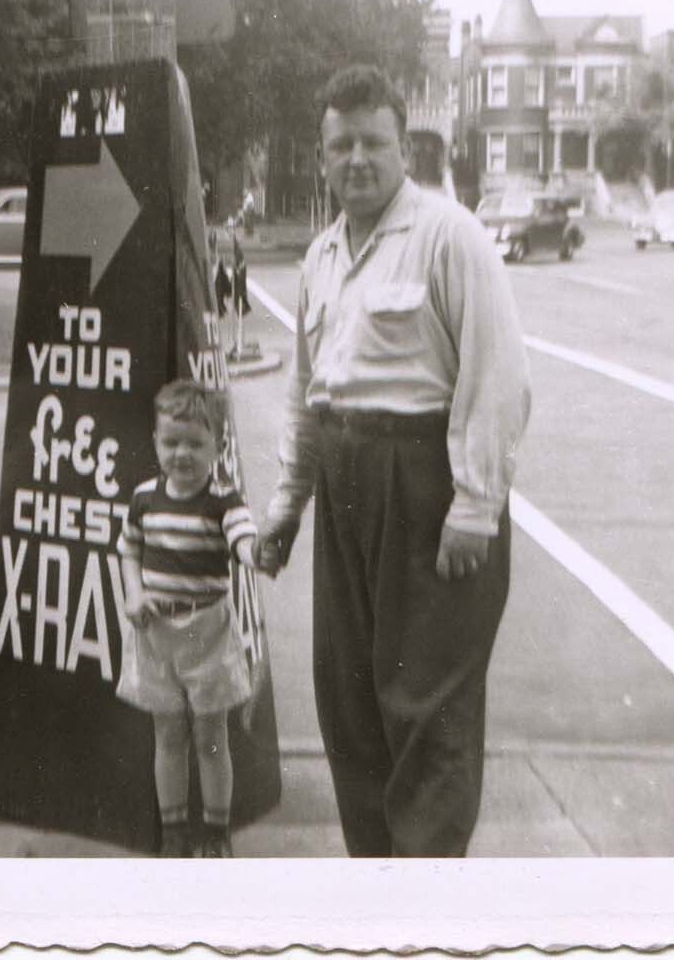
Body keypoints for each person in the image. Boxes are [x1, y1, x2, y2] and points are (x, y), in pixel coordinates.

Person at [257, 64, 531, 857]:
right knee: (349, 701)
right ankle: (376, 888)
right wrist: (287, 504)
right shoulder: (320, 257)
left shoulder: (449, 235)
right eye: (340, 144)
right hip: (346, 486)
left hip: (425, 486)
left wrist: (475, 505)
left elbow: (497, 375)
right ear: (321, 157)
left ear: (404, 148)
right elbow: (308, 391)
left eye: (373, 142)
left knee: (427, 706)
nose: (357, 159)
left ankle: (424, 900)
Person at [117, 380, 260, 857]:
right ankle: (174, 831)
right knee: (168, 734)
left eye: (196, 443)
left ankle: (216, 832)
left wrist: (257, 552)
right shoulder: (144, 498)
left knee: (212, 736)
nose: (182, 453)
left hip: (208, 633)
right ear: (156, 441)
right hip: (155, 632)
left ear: (218, 446)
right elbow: (128, 549)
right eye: (171, 441)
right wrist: (134, 592)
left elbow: (243, 539)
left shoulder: (223, 499)